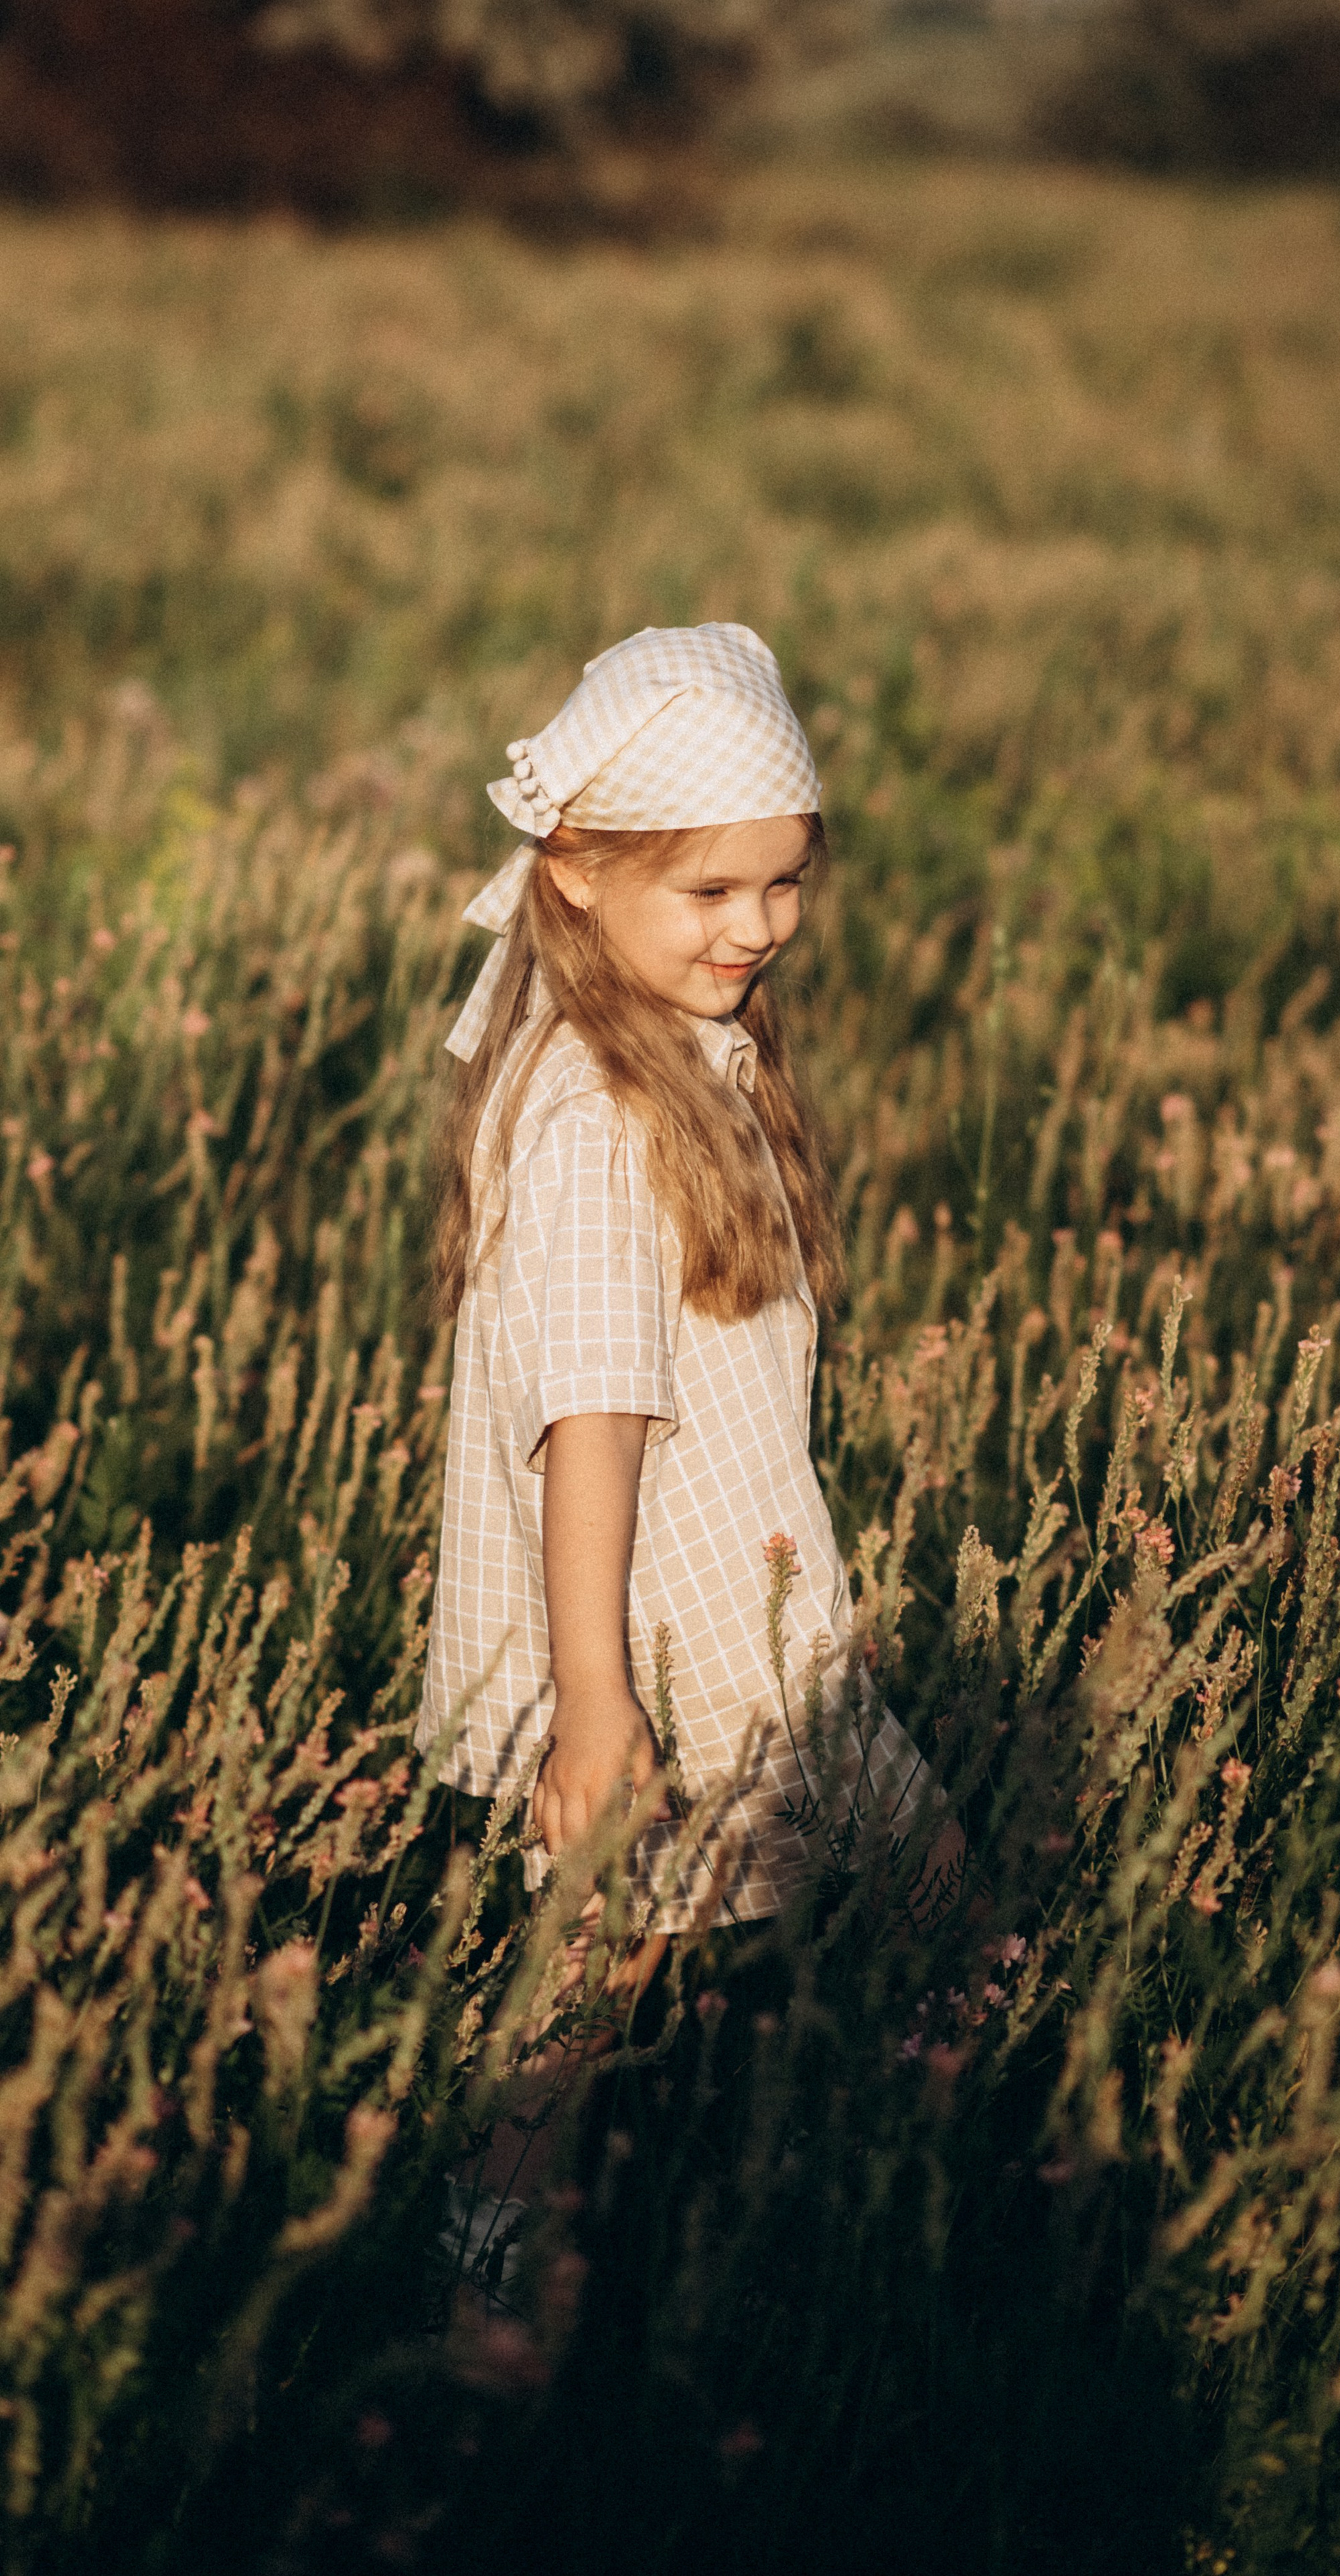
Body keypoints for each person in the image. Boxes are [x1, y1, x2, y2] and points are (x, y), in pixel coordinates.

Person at [418, 623, 960, 2008]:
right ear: (579, 875)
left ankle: (934, 2152)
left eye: (782, 882)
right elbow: (588, 1412)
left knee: (903, 1891)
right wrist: (595, 1695)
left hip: (727, 1590)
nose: (757, 924)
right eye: (710, 887)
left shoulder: (655, 1050)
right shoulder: (600, 1116)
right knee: (609, 1968)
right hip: (671, 1626)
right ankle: (486, 2224)